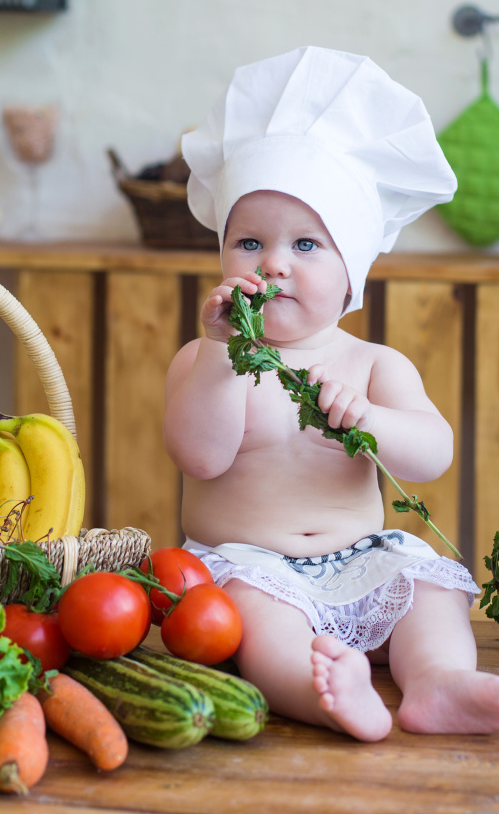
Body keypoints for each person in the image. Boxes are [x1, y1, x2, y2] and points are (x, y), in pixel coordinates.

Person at [163, 47, 496, 742]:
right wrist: (225, 356)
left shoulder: (373, 364)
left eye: (307, 245)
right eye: (249, 242)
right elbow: (200, 456)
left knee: (429, 586)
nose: (274, 262)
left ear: (353, 276)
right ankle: (321, 695)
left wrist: (371, 421)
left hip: (361, 557)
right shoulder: (204, 358)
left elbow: (432, 451)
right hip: (250, 564)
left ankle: (436, 682)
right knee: (253, 622)